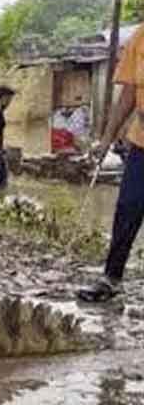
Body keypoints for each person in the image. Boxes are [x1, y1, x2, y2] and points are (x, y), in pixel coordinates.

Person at [77, 25, 144, 303]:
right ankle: (111, 278)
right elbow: (128, 93)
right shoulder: (140, 36)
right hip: (141, 143)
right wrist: (107, 139)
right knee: (128, 207)